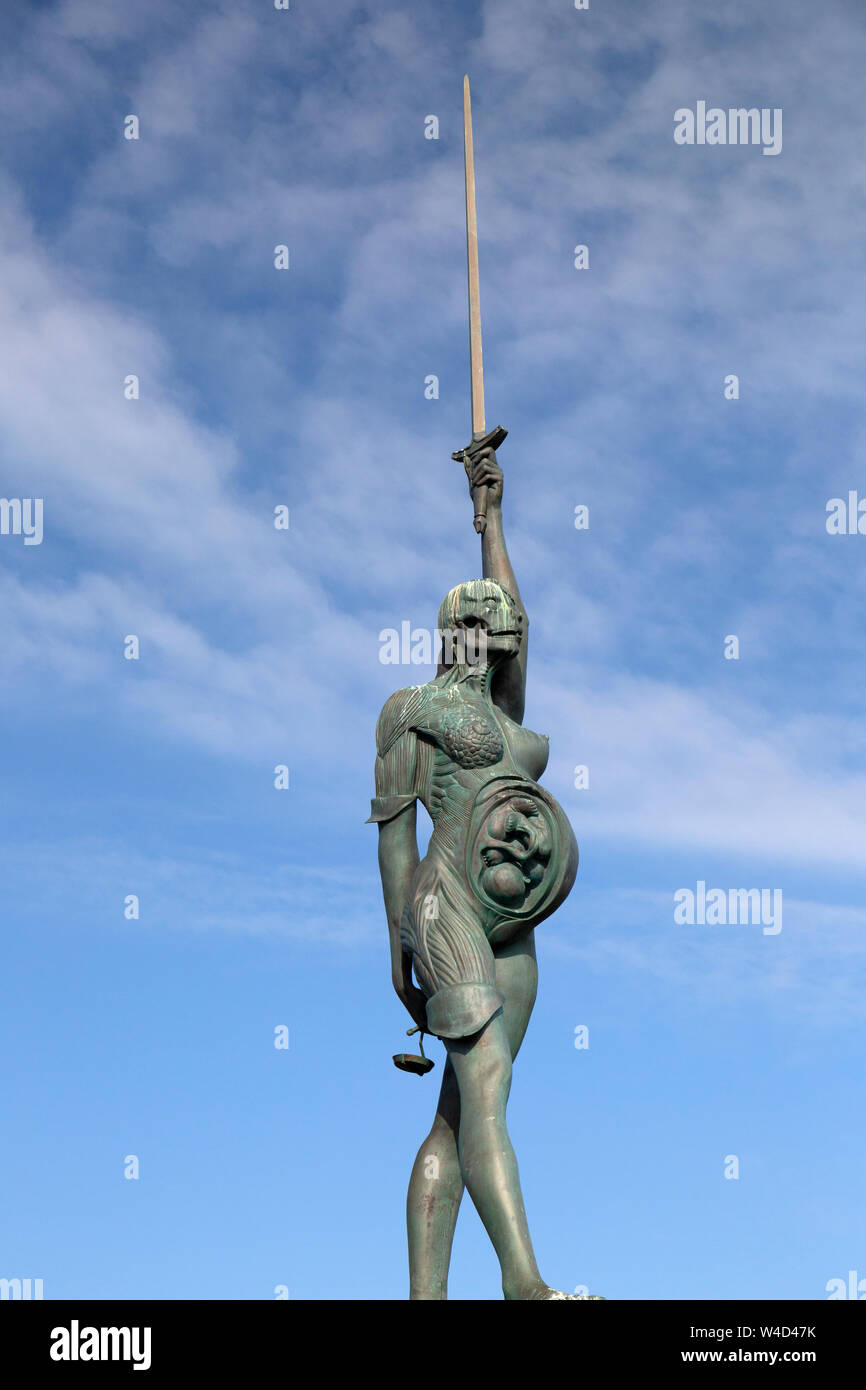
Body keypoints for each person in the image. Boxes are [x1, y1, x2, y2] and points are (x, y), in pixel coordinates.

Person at [369, 447, 598, 1301]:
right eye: (490, 626)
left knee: (463, 1110)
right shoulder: (409, 713)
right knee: (487, 1093)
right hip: (445, 909)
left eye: (501, 629)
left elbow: (524, 619)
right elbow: (394, 839)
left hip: (515, 922)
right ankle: (523, 1283)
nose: (502, 638)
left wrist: (490, 516)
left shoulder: (506, 716)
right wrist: (399, 941)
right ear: (460, 633)